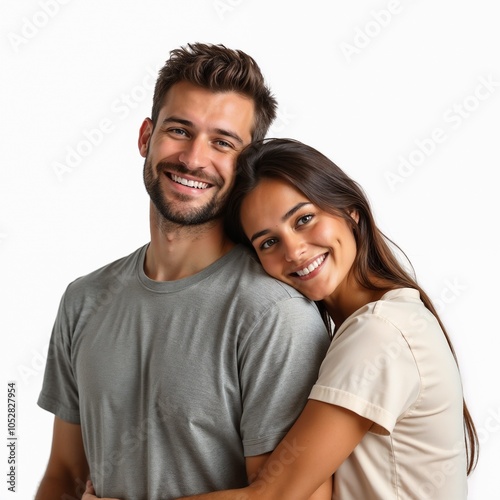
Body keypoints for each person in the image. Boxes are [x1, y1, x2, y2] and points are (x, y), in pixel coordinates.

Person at [35, 46, 332, 500]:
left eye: (222, 142)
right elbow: (63, 477)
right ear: (145, 137)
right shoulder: (83, 298)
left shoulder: (274, 315)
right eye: (179, 130)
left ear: (245, 164)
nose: (193, 159)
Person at [159, 137, 478, 499]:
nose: (294, 251)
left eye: (304, 219)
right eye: (268, 242)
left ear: (350, 210)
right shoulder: (381, 321)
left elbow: (274, 496)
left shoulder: (380, 332)